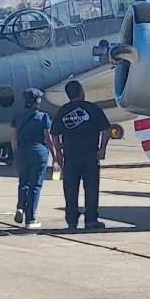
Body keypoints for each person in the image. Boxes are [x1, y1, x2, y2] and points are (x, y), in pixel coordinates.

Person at [52, 80, 112, 231]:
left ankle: (72, 221)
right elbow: (106, 129)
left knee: (70, 190)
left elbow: (54, 134)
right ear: (81, 92)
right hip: (90, 155)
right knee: (91, 189)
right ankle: (91, 220)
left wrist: (58, 152)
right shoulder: (92, 108)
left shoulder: (63, 111)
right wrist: (103, 148)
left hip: (70, 156)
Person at [10, 88, 54, 230]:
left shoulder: (18, 116)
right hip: (38, 152)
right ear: (37, 101)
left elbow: (13, 138)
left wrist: (16, 153)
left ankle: (21, 206)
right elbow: (48, 139)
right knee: (35, 185)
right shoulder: (43, 117)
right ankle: (30, 218)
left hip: (22, 151)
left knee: (23, 182)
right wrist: (55, 155)